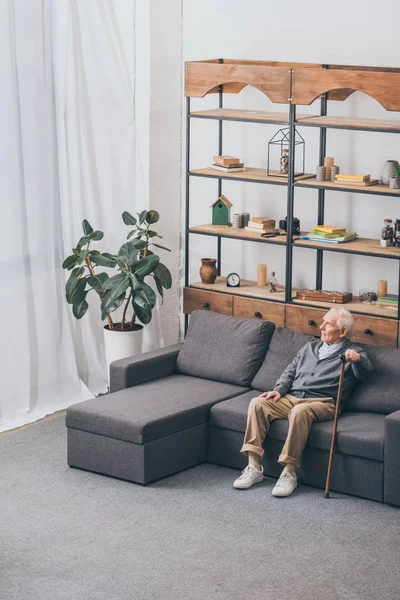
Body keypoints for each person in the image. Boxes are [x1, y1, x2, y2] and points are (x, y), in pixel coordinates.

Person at [233, 307, 373, 497]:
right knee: (257, 403)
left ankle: (289, 472)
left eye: (328, 324)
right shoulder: (310, 347)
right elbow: (289, 371)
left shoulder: (354, 352)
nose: (321, 327)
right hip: (292, 397)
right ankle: (253, 467)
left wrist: (356, 361)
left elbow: (364, 373)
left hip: (324, 402)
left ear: (342, 332)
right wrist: (278, 390)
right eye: (322, 322)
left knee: (299, 412)